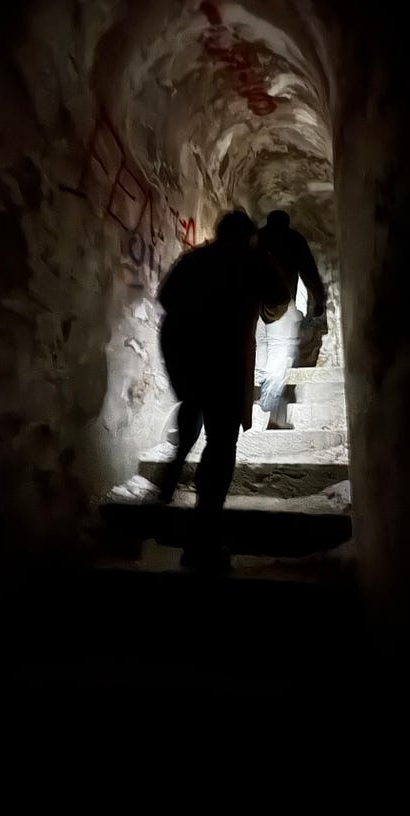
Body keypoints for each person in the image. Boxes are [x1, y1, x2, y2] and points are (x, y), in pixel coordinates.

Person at [157, 210, 290, 570]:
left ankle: (180, 454)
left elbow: (165, 298)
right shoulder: (251, 260)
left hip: (189, 357)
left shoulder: (196, 258)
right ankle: (202, 537)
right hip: (228, 363)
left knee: (193, 404)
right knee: (221, 446)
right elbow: (280, 294)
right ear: (249, 236)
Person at [255, 210, 326, 428]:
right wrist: (319, 300)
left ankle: (256, 402)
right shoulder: (293, 238)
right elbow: (309, 271)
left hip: (254, 305)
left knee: (260, 351)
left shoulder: (257, 238)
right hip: (282, 305)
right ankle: (267, 409)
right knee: (279, 355)